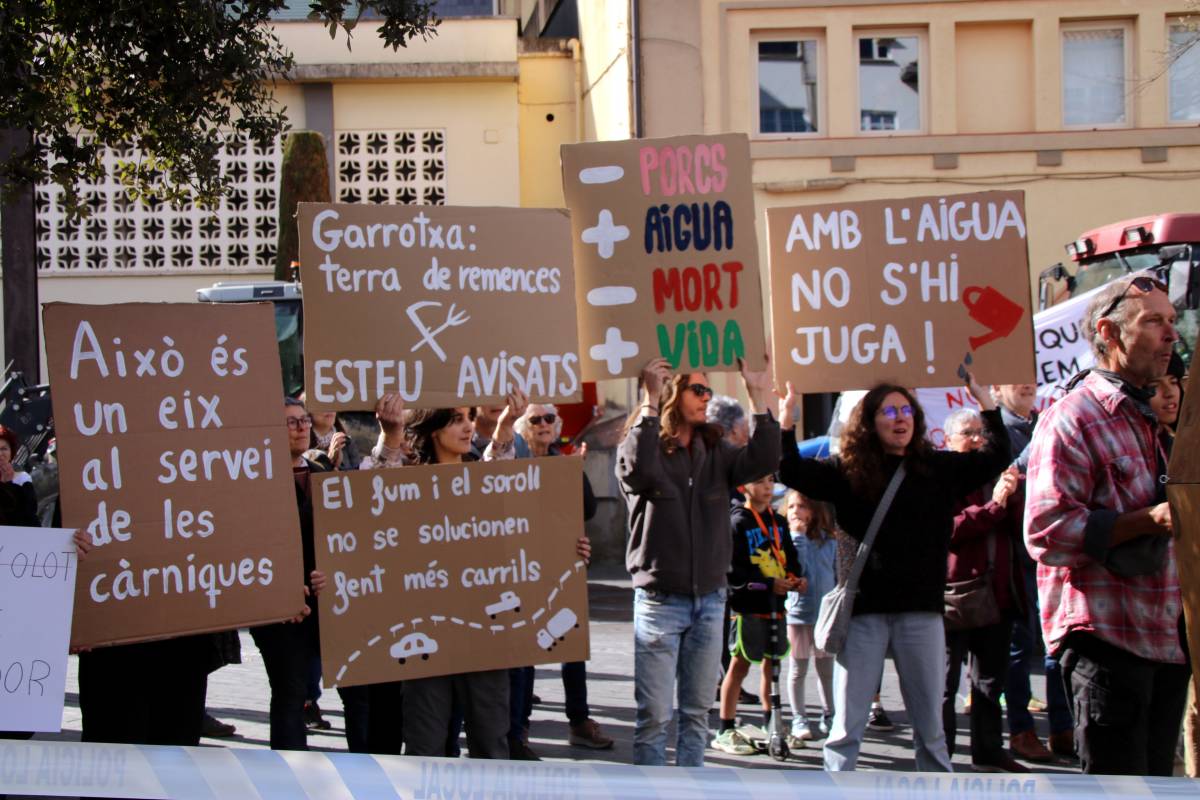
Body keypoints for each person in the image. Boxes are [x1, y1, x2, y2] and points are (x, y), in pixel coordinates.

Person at [778, 375, 1009, 771]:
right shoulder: (847, 470)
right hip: (865, 614)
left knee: (931, 731)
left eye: (907, 411)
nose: (900, 418)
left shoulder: (936, 467)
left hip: (921, 612)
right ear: (869, 421)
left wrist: (986, 401)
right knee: (846, 729)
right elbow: (790, 472)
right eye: (889, 411)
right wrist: (785, 420)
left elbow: (995, 456)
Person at [1025, 274, 1190, 775]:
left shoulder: (1153, 418)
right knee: (1119, 792)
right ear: (1110, 333)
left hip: (1164, 637)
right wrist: (1146, 521)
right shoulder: (1073, 417)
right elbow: (1045, 529)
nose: (1171, 335)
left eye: (1173, 321)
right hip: (1107, 641)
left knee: (1159, 788)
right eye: (1154, 321)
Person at [617, 357, 780, 767]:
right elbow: (637, 472)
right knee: (653, 718)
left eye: (708, 390)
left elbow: (761, 462)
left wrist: (759, 396)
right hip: (659, 601)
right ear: (674, 393)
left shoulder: (715, 449)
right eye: (698, 390)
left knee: (695, 716)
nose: (707, 398)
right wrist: (649, 402)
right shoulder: (643, 441)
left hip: (710, 600)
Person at [401, 395, 527, 759]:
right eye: (456, 419)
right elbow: (371, 496)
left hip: (483, 629)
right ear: (433, 428)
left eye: (469, 417)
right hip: (425, 630)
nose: (468, 426)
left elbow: (501, 463)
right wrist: (391, 431)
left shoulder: (481, 475)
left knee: (490, 740)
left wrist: (566, 550)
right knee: (426, 744)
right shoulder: (406, 485)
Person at [509, 404, 613, 753]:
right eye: (535, 420)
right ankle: (518, 728)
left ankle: (579, 720)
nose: (543, 425)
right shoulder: (514, 459)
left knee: (571, 643)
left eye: (548, 419)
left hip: (561, 563)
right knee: (525, 645)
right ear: (522, 427)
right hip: (522, 563)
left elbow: (587, 509)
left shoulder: (563, 458)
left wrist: (576, 470)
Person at [940, 408, 1028, 773]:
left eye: (981, 433)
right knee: (944, 685)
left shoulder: (996, 475)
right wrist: (995, 506)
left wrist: (1013, 495)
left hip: (999, 594)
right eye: (967, 433)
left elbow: (1021, 526)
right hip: (955, 598)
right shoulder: (941, 478)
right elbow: (951, 529)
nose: (977, 439)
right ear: (947, 441)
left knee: (991, 682)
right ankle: (939, 752)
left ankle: (989, 750)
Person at [992, 382, 1069, 763]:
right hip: (1014, 557)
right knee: (1019, 649)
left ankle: (1063, 727)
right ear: (995, 389)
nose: (1026, 384)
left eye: (1029, 376)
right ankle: (1021, 730)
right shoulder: (994, 432)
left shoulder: (1047, 422)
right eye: (1014, 377)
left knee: (1058, 645)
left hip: (1053, 553)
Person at [248, 398, 329, 751]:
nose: (301, 428)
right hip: (280, 612)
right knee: (290, 693)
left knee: (358, 695)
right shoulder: (256, 484)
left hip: (326, 604)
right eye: (291, 422)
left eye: (304, 420)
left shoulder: (324, 476)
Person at [712, 474, 804, 755]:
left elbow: (789, 556)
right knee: (739, 664)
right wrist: (765, 583)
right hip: (747, 606)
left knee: (772, 664)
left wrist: (796, 577)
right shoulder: (737, 521)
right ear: (743, 487)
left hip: (775, 605)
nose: (767, 487)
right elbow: (732, 571)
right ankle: (725, 727)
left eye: (770, 482)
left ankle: (771, 722)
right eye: (760, 481)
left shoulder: (778, 522)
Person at [708, 394, 761, 707]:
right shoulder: (717, 459)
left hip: (731, 562)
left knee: (730, 623)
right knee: (720, 625)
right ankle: (720, 683)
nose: (747, 434)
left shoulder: (734, 459)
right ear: (729, 430)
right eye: (744, 427)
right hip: (717, 562)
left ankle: (728, 681)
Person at [783, 489, 837, 746]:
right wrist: (797, 537)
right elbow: (797, 568)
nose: (795, 511)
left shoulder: (830, 541)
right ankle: (799, 718)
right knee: (798, 669)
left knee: (826, 669)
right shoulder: (791, 539)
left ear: (813, 511)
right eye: (791, 506)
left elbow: (837, 576)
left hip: (825, 616)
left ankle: (830, 713)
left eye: (801, 506)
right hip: (799, 615)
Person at [0, 425, 38, 527]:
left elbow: (29, 512)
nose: (1, 454)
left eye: (4, 449)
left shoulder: (22, 478)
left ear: (11, 452)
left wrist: (9, 485)